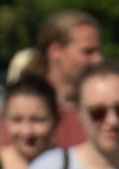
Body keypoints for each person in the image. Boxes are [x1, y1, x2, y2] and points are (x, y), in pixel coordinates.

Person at [35, 11, 105, 148]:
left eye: (98, 51)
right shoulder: (27, 105)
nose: (98, 60)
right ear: (56, 51)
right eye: (88, 51)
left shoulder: (104, 108)